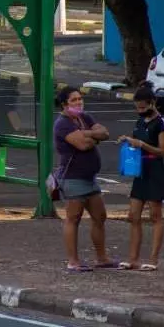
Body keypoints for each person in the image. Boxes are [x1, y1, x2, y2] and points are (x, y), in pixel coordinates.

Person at [54, 86, 116, 272]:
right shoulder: (62, 124)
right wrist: (93, 136)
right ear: (64, 104)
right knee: (73, 218)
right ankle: (73, 261)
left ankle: (102, 258)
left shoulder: (84, 117)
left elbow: (105, 133)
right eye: (73, 100)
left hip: (90, 178)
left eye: (80, 99)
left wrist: (88, 134)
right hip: (73, 178)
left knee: (100, 216)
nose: (78, 102)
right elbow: (82, 144)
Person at [117, 81, 164, 272]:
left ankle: (153, 259)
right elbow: (136, 141)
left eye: (143, 107)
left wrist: (142, 145)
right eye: (137, 108)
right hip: (140, 170)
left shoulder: (161, 122)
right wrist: (128, 141)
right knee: (133, 216)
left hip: (155, 169)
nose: (139, 111)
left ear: (152, 103)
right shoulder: (140, 122)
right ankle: (133, 259)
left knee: (155, 215)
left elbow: (162, 151)